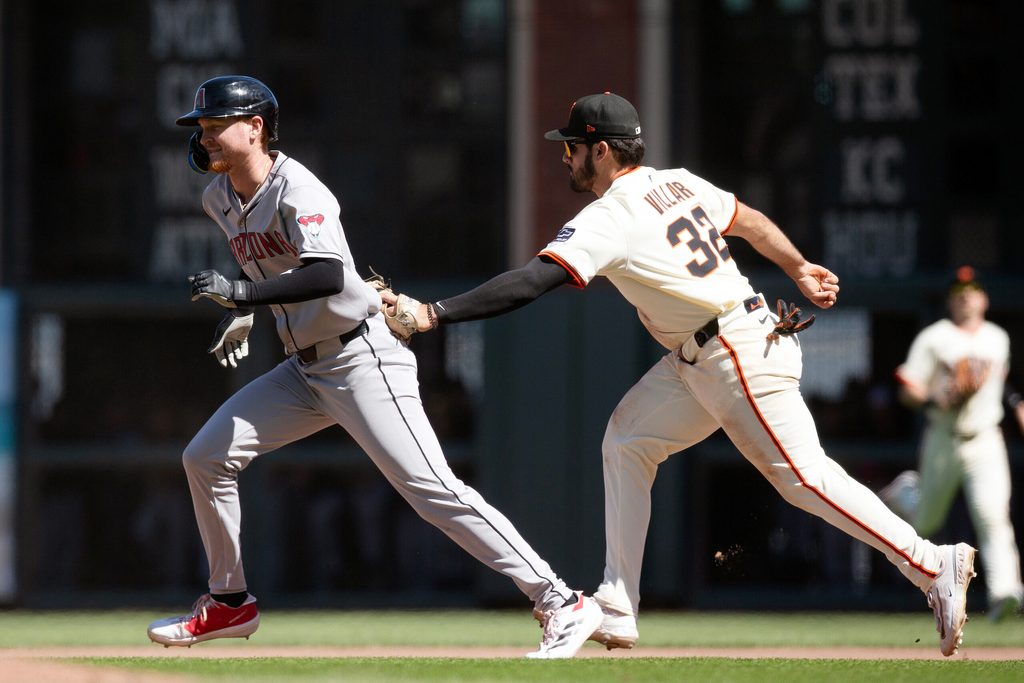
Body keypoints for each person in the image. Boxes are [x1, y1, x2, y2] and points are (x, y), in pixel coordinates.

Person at [381, 92, 978, 656]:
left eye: (573, 147)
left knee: (804, 477)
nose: (566, 157)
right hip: (711, 350)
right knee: (628, 439)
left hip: (732, 348)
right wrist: (797, 267)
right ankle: (618, 602)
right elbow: (748, 220)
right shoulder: (678, 183)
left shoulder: (610, 214)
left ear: (604, 151)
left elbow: (535, 280)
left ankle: (929, 562)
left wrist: (436, 313)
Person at [145, 75, 603, 659]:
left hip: (362, 356)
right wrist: (247, 310)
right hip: (303, 370)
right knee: (205, 457)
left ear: (255, 127)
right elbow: (274, 272)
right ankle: (229, 603)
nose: (203, 136)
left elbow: (328, 274)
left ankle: (561, 600)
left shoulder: (300, 189)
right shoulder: (217, 198)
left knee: (432, 490)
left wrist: (239, 295)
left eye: (214, 125)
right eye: (201, 127)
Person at [880, 266, 1024, 622]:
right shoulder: (935, 337)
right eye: (960, 289)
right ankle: (906, 495)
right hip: (944, 438)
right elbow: (908, 388)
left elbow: (1002, 384)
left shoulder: (998, 338)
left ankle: (1004, 593)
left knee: (992, 515)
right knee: (926, 522)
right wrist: (935, 398)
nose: (967, 295)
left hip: (985, 439)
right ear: (950, 299)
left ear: (984, 297)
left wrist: (1017, 406)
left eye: (974, 288)